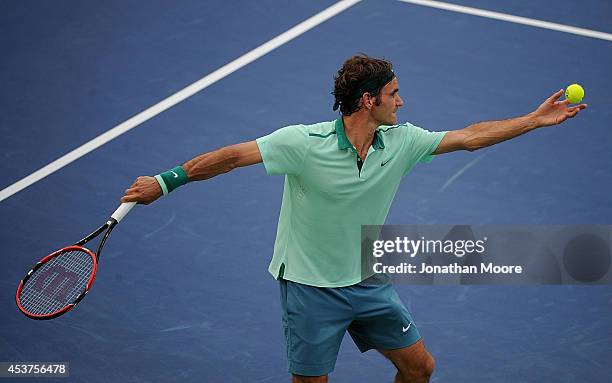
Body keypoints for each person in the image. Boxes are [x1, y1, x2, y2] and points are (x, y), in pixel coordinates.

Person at [121, 55, 587, 383]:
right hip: (309, 288)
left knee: (419, 368)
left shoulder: (401, 142)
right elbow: (229, 157)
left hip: (367, 282)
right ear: (368, 101)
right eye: (393, 94)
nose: (401, 103)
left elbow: (469, 137)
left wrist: (533, 119)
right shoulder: (302, 143)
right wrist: (165, 182)